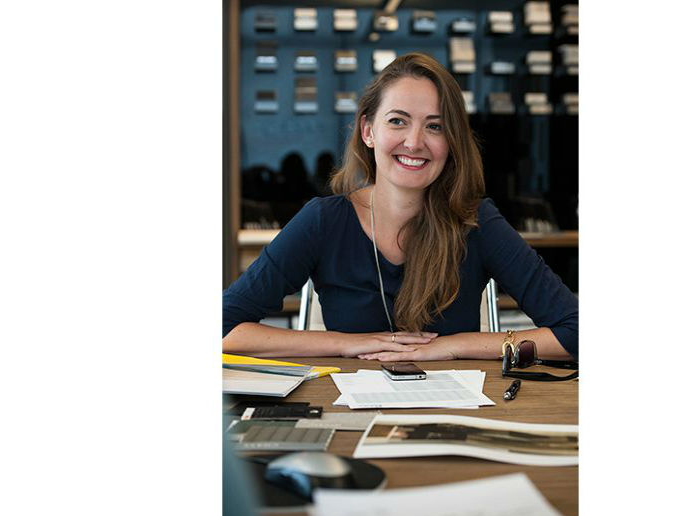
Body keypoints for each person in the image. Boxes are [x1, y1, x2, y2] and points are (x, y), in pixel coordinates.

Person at [223, 52, 578, 362]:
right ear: (368, 131)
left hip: (455, 416)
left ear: (452, 142)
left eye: (435, 126)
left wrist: (456, 346)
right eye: (397, 121)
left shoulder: (476, 221)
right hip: (350, 415)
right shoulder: (323, 221)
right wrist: (348, 344)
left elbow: (576, 331)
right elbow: (224, 328)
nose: (414, 142)